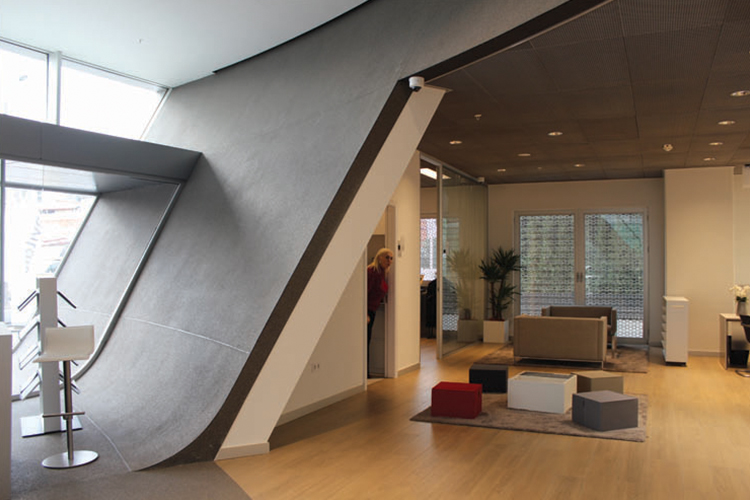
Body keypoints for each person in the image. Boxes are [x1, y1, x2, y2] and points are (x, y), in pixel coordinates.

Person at [366, 248, 393, 373]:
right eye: (387, 257)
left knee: (368, 340)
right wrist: (364, 313)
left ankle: (366, 371)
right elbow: (364, 293)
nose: (389, 261)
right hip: (367, 311)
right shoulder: (372, 272)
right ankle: (364, 372)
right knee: (365, 341)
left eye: (391, 258)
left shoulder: (382, 273)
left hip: (373, 310)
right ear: (379, 257)